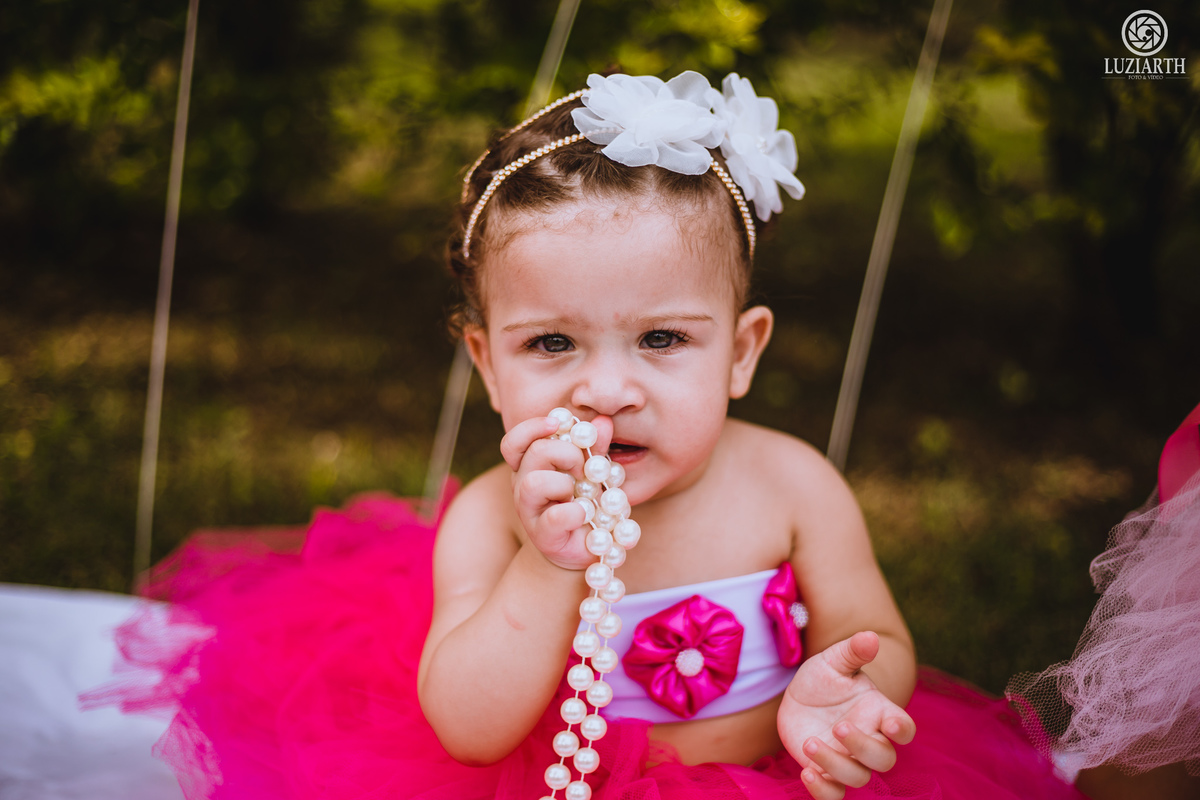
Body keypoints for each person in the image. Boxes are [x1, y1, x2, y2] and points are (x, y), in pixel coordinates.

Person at [84, 71, 1086, 800]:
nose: (607, 389)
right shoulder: (492, 518)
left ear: (741, 351)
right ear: (488, 364)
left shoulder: (792, 485)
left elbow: (881, 636)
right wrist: (545, 563)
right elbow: (470, 731)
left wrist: (847, 693)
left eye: (663, 339)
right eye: (552, 343)